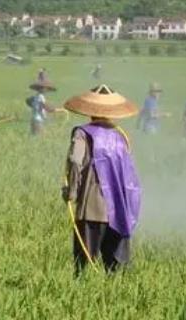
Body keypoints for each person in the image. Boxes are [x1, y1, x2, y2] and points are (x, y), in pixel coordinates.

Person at [62, 84, 142, 276]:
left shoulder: (82, 133)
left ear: (90, 110)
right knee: (115, 267)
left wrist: (71, 192)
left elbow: (75, 162)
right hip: (118, 207)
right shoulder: (120, 136)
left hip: (91, 207)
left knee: (83, 264)